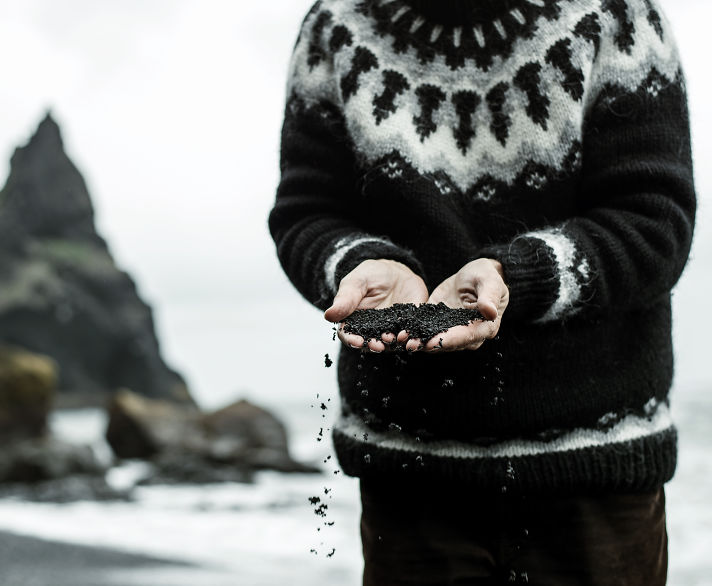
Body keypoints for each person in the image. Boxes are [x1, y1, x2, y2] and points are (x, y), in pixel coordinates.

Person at [269, 0, 695, 584]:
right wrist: (364, 264)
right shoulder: (336, 25)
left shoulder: (617, 15)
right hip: (410, 483)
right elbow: (306, 212)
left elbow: (654, 223)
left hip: (596, 478)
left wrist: (518, 277)